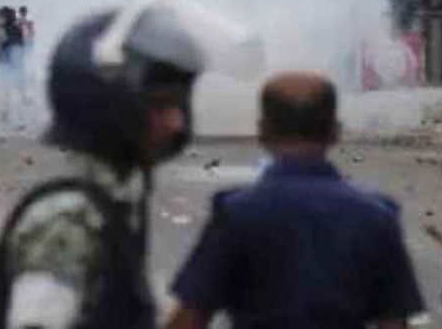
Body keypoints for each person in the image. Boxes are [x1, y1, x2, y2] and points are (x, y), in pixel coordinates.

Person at [0, 0, 211, 328]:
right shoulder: (66, 219)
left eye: (179, 106)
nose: (176, 123)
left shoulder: (108, 204)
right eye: (161, 105)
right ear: (108, 105)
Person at [165, 71, 426, 328]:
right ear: (334, 132)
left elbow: (191, 317)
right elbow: (393, 322)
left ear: (263, 132)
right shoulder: (377, 216)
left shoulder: (236, 212)